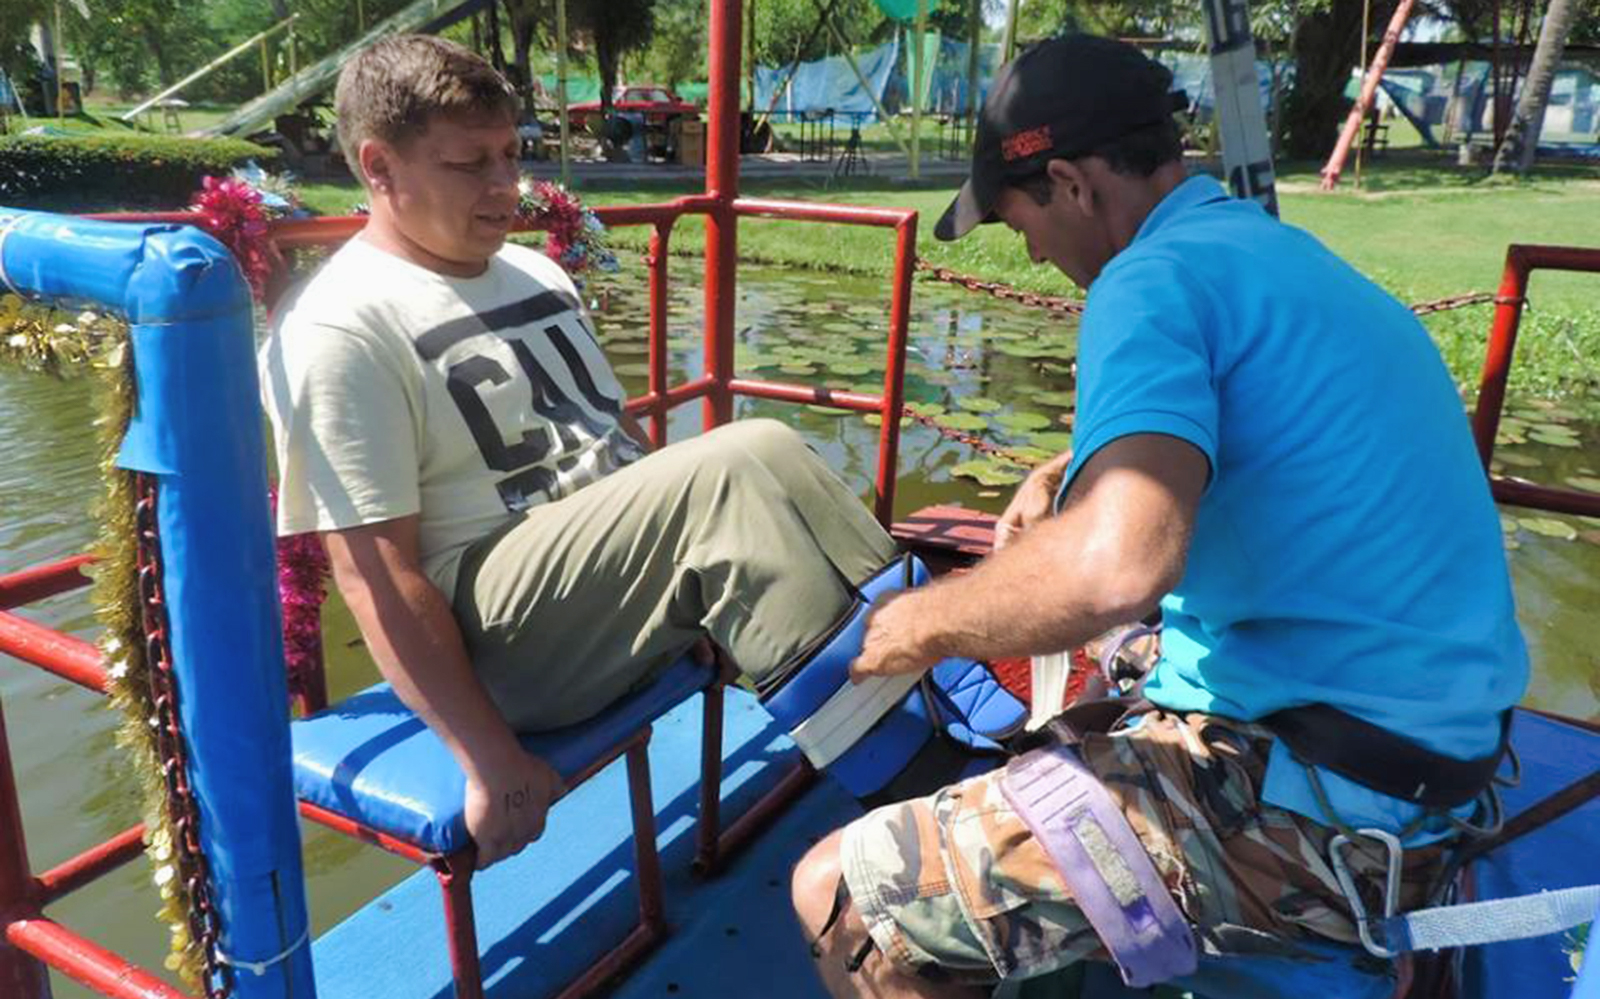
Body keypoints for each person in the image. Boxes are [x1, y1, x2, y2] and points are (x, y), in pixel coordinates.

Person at [790, 34, 1528, 998]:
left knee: (844, 897)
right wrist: (1072, 469)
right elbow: (1271, 428)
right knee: (1103, 679)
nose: (1033, 253)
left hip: (1324, 801)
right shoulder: (1271, 251)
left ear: (1069, 183)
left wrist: (916, 624)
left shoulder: (1145, 281)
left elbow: (1117, 569)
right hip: (1440, 760)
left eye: (1019, 223)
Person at [259, 35, 923, 871]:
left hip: (592, 602)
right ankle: (920, 787)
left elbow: (611, 443)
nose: (507, 185)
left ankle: (946, 692)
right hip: (497, 651)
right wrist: (487, 757)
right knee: (729, 467)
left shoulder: (534, 272)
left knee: (770, 445)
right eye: (470, 164)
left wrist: (694, 585)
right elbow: (375, 576)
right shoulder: (340, 325)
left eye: (512, 154)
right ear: (379, 168)